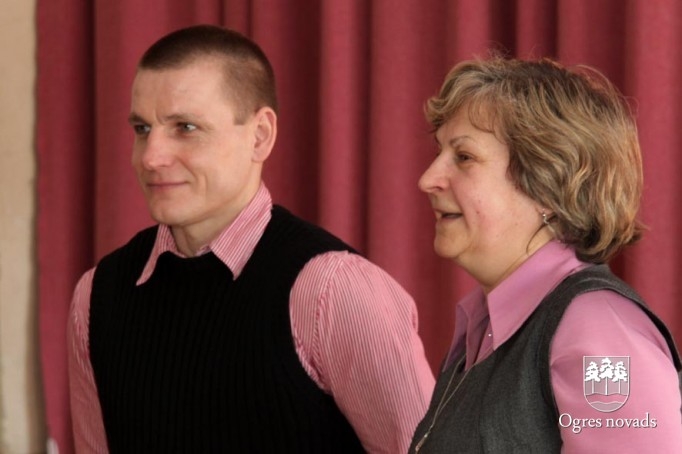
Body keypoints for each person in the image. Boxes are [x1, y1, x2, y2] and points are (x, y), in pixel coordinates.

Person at [67, 24, 435, 453]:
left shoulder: (333, 291)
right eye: (142, 128)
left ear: (260, 136)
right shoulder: (96, 296)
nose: (151, 157)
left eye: (185, 127)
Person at [410, 56, 682, 453]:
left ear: (548, 184)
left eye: (464, 157)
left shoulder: (597, 330)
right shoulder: (483, 326)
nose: (428, 179)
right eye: (439, 152)